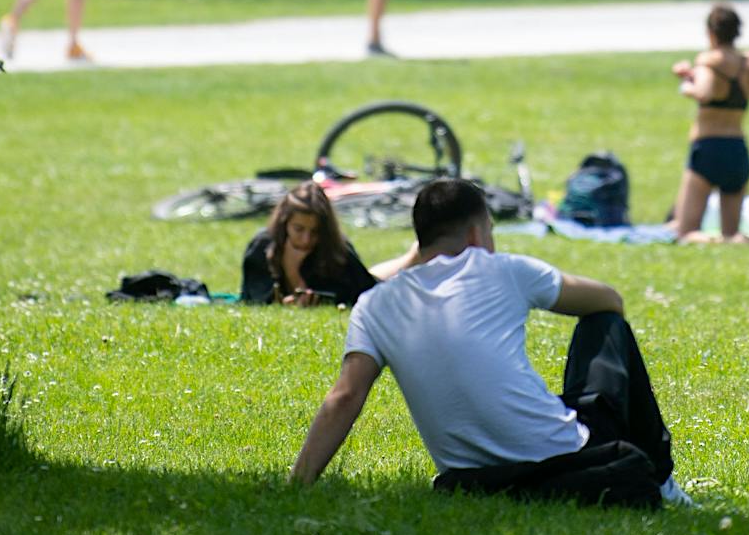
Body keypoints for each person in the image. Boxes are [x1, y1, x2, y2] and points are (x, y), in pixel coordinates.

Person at [291, 178, 691, 506]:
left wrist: (299, 483)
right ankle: (663, 479)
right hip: (564, 455)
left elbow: (345, 397)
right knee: (605, 325)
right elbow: (609, 301)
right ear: (476, 233)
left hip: (472, 479)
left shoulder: (375, 304)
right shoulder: (502, 269)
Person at [670, 1, 749, 241]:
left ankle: (711, 241)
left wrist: (686, 83)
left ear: (710, 32)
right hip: (738, 147)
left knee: (685, 232)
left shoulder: (708, 61)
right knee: (731, 233)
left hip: (708, 149)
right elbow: (728, 91)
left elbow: (705, 93)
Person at [242, 182, 378, 307]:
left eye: (315, 231)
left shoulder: (337, 251)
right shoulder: (262, 247)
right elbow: (255, 298)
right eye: (298, 229)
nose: (306, 239)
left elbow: (366, 292)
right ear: (285, 223)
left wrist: (294, 275)